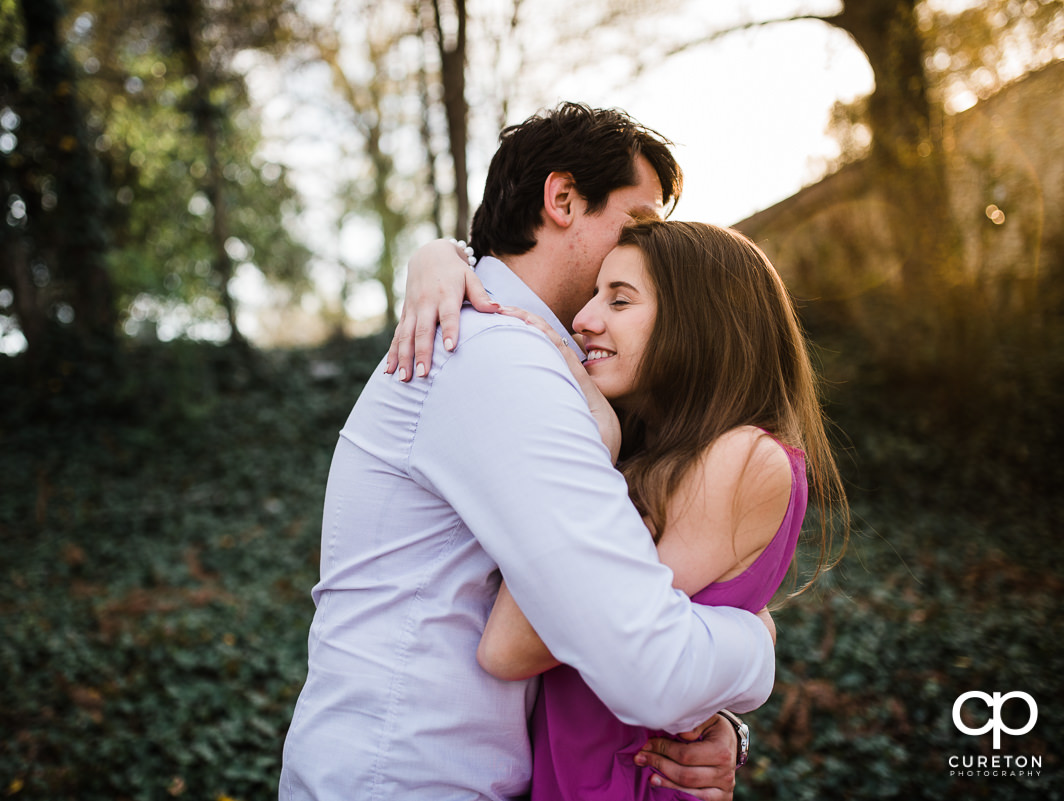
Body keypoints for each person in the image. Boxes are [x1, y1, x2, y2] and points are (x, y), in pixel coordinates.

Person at [279, 103, 777, 801]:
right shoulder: (496, 357)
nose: (652, 250)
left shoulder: (545, 361)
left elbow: (598, 621)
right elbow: (646, 665)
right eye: (639, 225)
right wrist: (756, 645)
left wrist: (715, 723)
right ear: (564, 199)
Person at [461, 217, 849, 799]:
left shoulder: (744, 457)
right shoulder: (664, 460)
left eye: (619, 300)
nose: (584, 319)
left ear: (702, 321)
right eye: (594, 296)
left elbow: (510, 647)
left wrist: (587, 435)